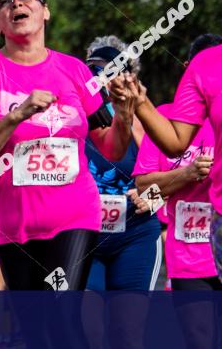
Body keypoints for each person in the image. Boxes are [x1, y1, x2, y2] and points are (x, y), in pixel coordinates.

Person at [0, 0, 136, 291]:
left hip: (74, 215)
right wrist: (17, 115)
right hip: (13, 223)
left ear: (46, 12)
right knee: (35, 326)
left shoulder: (76, 71)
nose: (17, 4)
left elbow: (111, 148)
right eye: (5, 2)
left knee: (62, 312)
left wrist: (125, 115)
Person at [129, 34, 222, 347]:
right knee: (200, 338)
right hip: (189, 255)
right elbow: (145, 188)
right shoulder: (166, 119)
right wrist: (187, 174)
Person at [83, 37, 160, 292]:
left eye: (111, 71)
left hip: (134, 235)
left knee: (128, 328)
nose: (102, 78)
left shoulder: (143, 121)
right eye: (95, 71)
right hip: (84, 235)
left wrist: (154, 196)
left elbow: (169, 178)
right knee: (86, 320)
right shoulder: (74, 117)